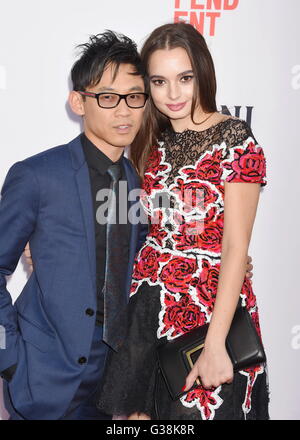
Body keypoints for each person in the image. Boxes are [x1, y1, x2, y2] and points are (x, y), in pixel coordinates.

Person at [96, 23, 269, 420]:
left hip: (208, 316)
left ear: (202, 75)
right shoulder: (150, 143)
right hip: (148, 311)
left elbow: (234, 248)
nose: (173, 94)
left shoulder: (235, 140)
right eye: (159, 81)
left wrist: (214, 343)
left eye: (184, 78)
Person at [0, 31, 149, 420]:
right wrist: (9, 357)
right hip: (40, 377)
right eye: (107, 97)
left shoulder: (138, 183)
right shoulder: (36, 176)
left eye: (134, 97)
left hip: (109, 388)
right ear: (78, 102)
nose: (123, 111)